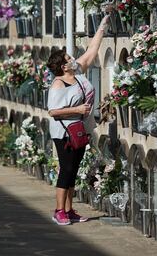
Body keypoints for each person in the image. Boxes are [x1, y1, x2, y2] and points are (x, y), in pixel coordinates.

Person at [46, 15, 110, 225]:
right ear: (63, 67)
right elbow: (53, 111)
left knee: (74, 169)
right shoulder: (58, 84)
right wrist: (78, 108)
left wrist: (102, 25)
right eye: (68, 58)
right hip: (64, 132)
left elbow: (92, 51)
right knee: (66, 169)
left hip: (80, 129)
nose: (73, 58)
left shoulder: (79, 72)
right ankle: (58, 211)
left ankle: (69, 209)